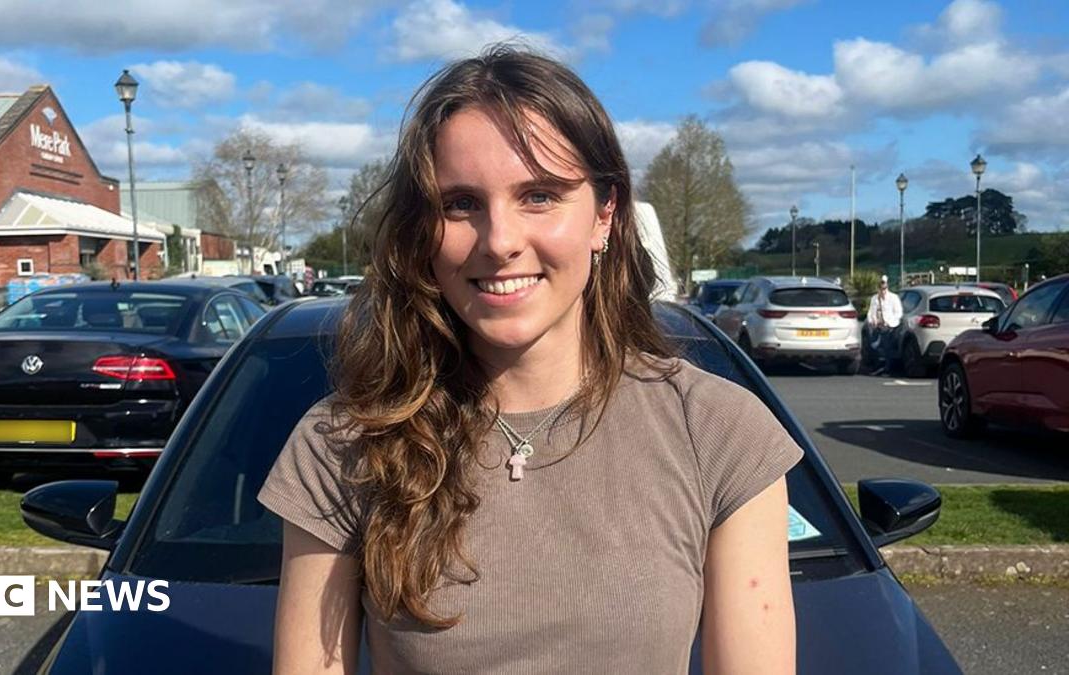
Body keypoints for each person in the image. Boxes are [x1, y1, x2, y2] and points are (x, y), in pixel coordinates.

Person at [259, 46, 803, 674]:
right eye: (460, 203)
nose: (500, 242)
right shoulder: (345, 444)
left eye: (539, 196)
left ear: (606, 215)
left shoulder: (718, 431)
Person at [866, 275, 903, 375]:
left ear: (887, 286)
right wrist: (872, 320)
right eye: (880, 287)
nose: (882, 290)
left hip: (890, 327)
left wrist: (889, 322)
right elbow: (870, 312)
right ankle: (877, 367)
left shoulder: (893, 298)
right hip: (878, 327)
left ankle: (888, 369)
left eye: (884, 287)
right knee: (875, 347)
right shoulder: (874, 299)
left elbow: (898, 313)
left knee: (888, 348)